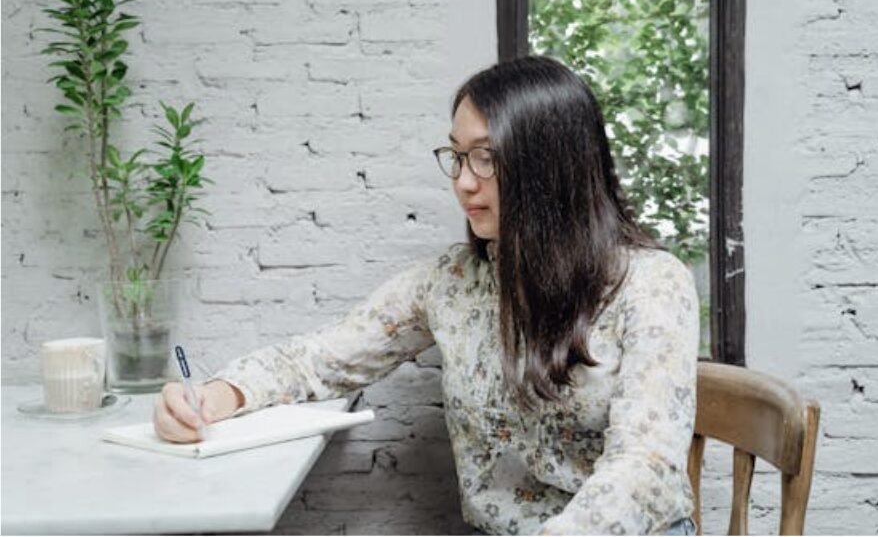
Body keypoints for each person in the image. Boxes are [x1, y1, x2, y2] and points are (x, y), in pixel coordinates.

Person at [153, 56, 700, 536]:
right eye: (457, 156)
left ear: (548, 166)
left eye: (486, 157)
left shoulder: (651, 283)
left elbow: (645, 467)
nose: (463, 181)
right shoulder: (450, 283)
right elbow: (320, 358)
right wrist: (220, 394)